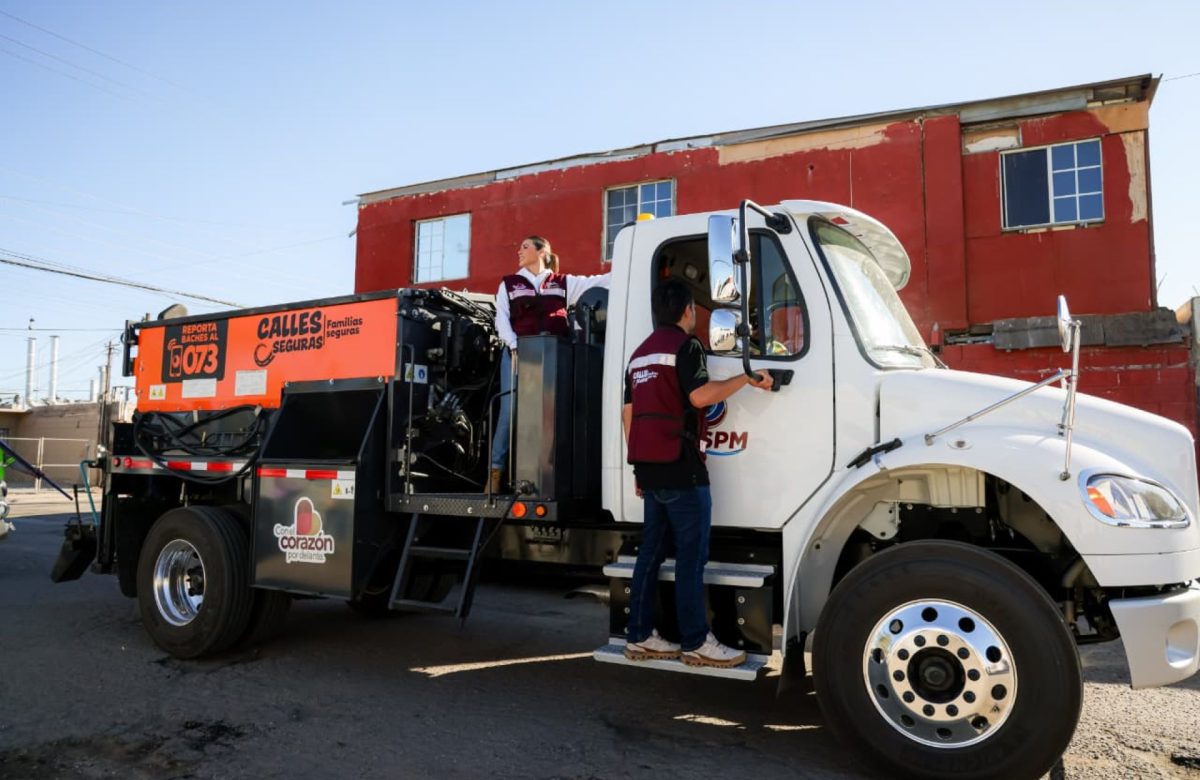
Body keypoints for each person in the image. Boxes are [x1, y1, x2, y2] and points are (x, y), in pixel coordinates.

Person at [622, 280, 772, 667]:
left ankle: (639, 637)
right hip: (683, 468)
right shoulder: (685, 347)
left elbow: (629, 414)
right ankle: (695, 642)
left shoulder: (638, 356)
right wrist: (747, 378)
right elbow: (699, 397)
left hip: (650, 468)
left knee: (649, 556)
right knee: (691, 558)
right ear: (687, 310)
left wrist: (638, 465)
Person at [490, 235, 609, 493]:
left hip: (555, 357)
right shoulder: (509, 283)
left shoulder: (562, 282)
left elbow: (599, 282)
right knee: (509, 412)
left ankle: (550, 472)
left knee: (552, 413)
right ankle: (495, 472)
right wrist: (513, 347)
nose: (518, 251)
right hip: (518, 354)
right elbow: (502, 320)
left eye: (524, 246)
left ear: (542, 251)